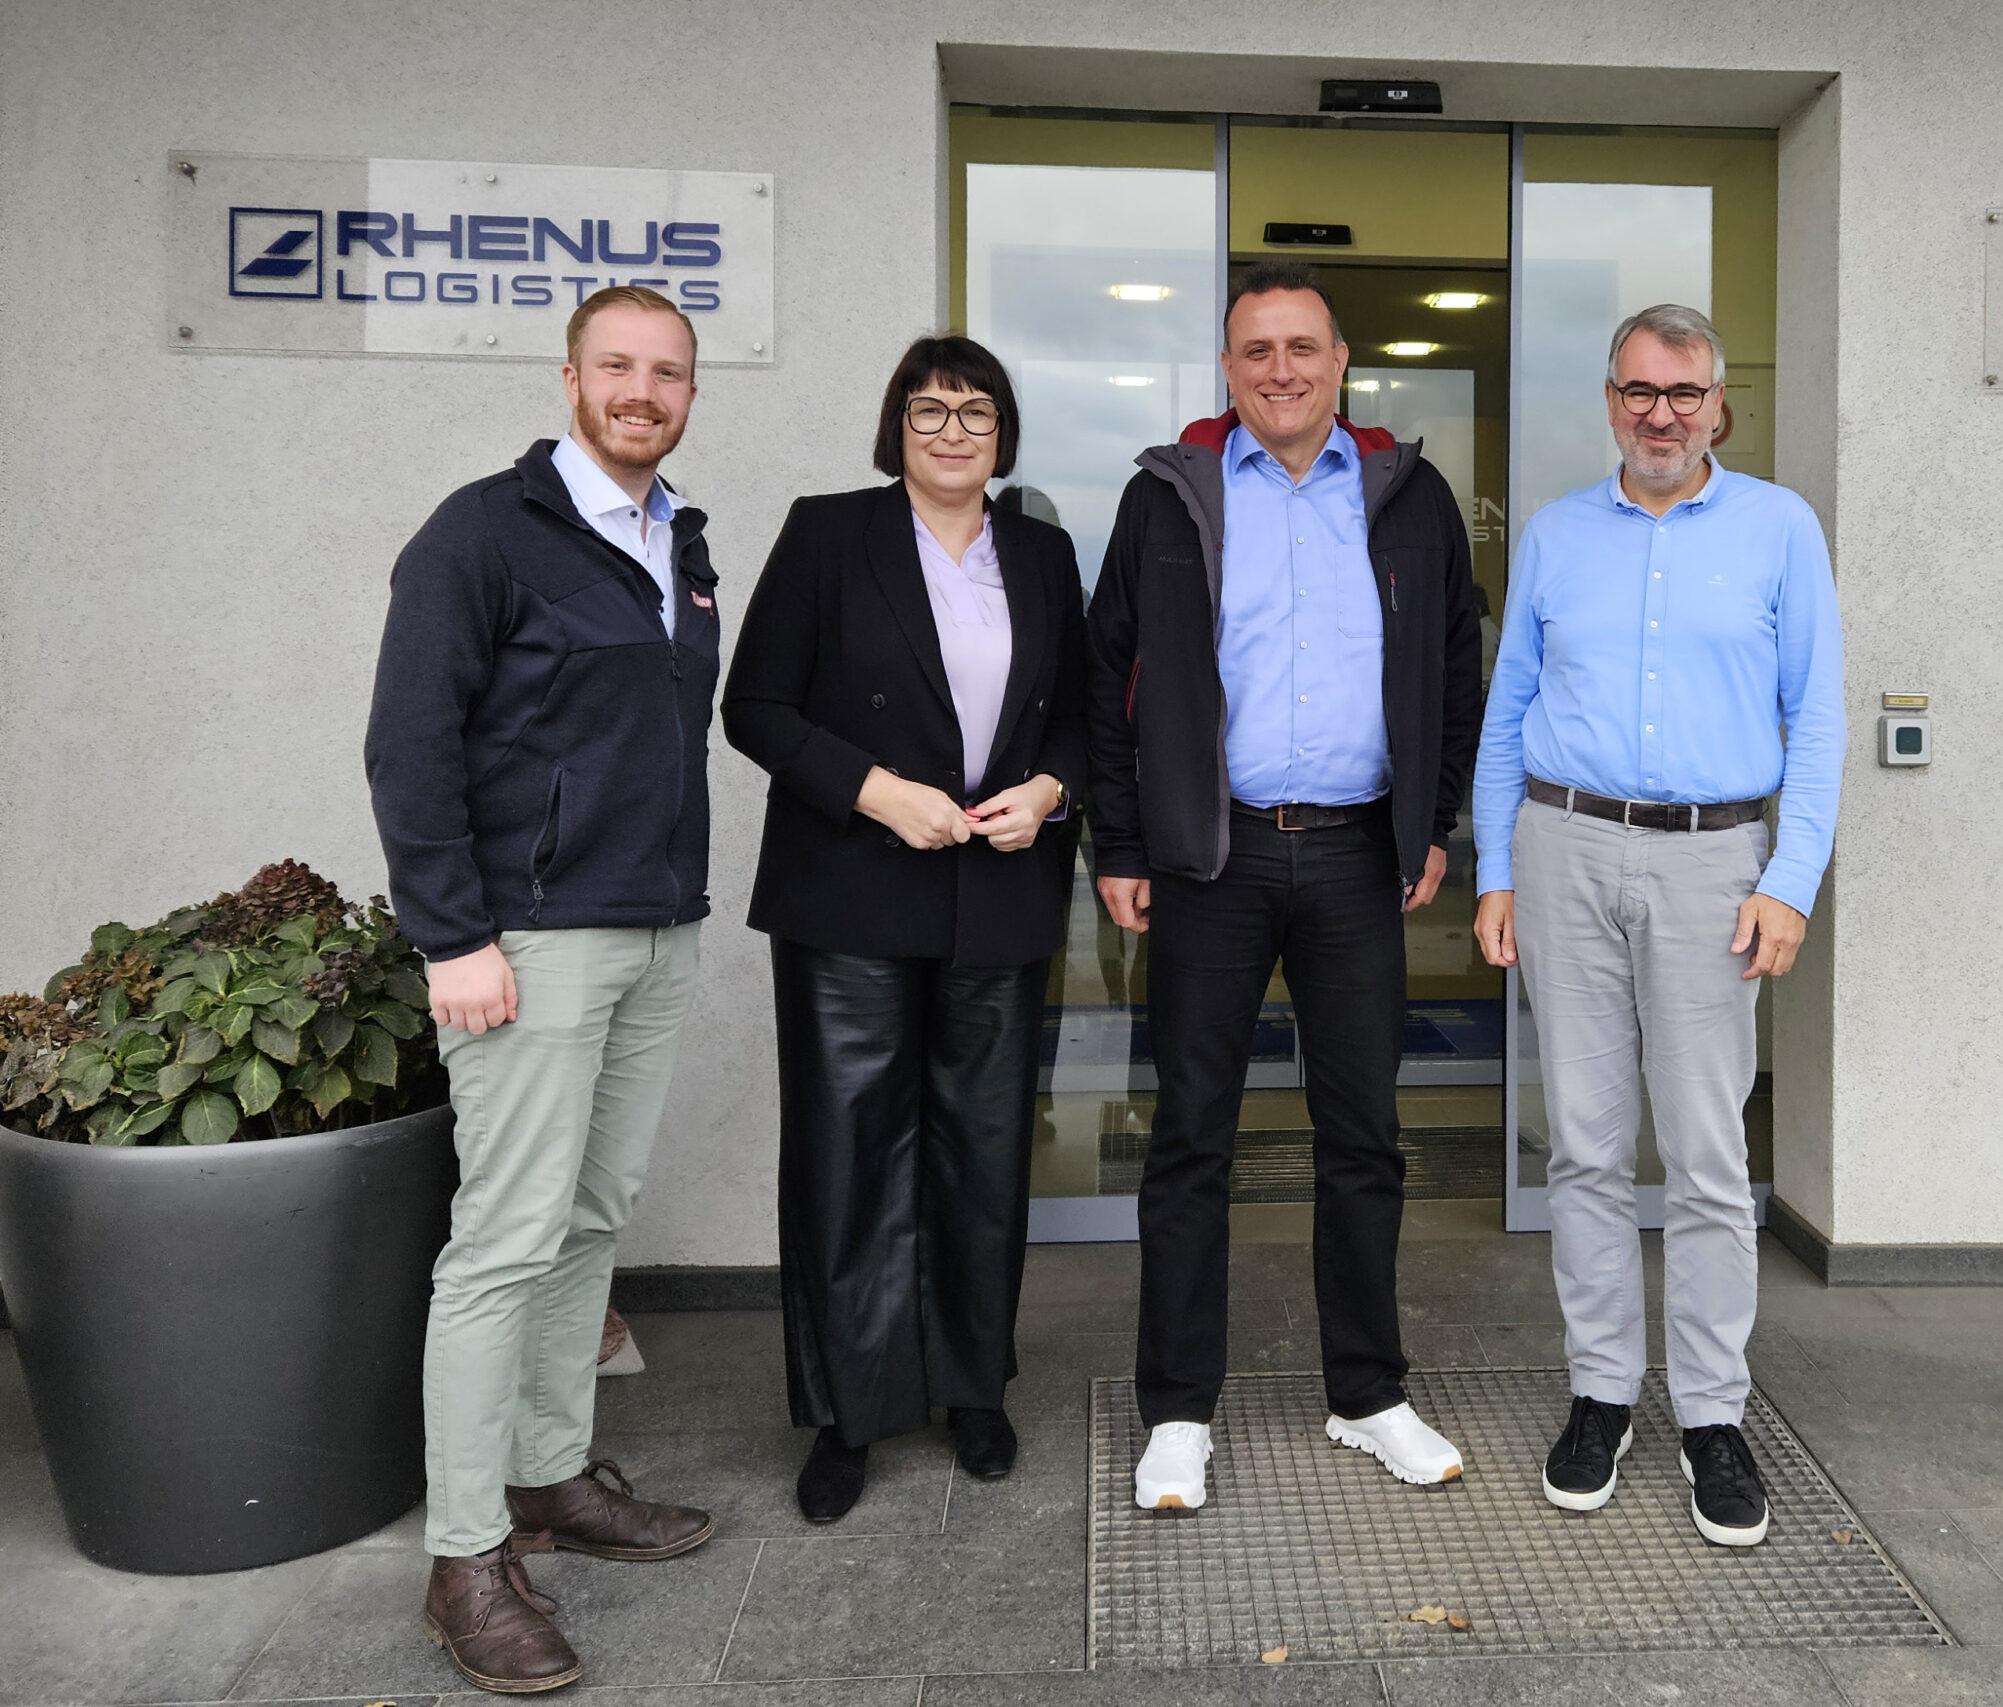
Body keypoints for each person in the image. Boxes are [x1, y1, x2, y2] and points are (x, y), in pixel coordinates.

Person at [366, 286, 723, 1694]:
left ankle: (551, 1476)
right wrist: (452, 935)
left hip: (654, 931)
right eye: (617, 366)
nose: (643, 390)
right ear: (570, 378)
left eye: (668, 372)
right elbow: (410, 742)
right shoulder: (481, 533)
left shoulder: (678, 537)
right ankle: (464, 1557)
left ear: (689, 392)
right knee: (503, 1242)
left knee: (588, 1218)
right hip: (526, 941)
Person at [1085, 261, 1484, 1511]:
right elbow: (1109, 676)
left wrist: (1430, 820)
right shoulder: (1169, 496)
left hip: (1360, 853)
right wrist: (1121, 844)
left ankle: (1366, 1394)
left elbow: (1454, 665)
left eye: (1302, 347)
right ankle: (1176, 1411)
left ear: (1340, 360)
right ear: (1226, 367)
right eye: (1256, 350)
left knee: (1362, 1136)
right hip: (1213, 855)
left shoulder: (1406, 492)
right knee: (1190, 1137)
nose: (1280, 370)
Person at [1473, 303, 1844, 1547]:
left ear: (1717, 405)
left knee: (1705, 1155)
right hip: (1564, 846)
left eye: (1683, 393)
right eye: (1638, 391)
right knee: (1582, 1147)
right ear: (1611, 401)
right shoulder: (1555, 534)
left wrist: (1789, 880)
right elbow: (1507, 708)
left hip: (1712, 864)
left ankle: (1712, 1413)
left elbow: (1818, 717)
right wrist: (1495, 869)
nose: (1661, 414)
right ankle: (1600, 1394)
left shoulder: (1779, 529)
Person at [723, 336, 1086, 1524]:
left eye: (976, 412)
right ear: (896, 429)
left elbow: (1083, 715)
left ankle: (973, 1389)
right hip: (852, 891)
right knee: (852, 1155)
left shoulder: (1040, 551)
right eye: (929, 411)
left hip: (997, 890)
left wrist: (1049, 792)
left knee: (982, 1154)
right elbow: (754, 706)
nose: (952, 432)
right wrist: (876, 791)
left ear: (1003, 434)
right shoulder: (829, 534)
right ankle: (849, 1414)